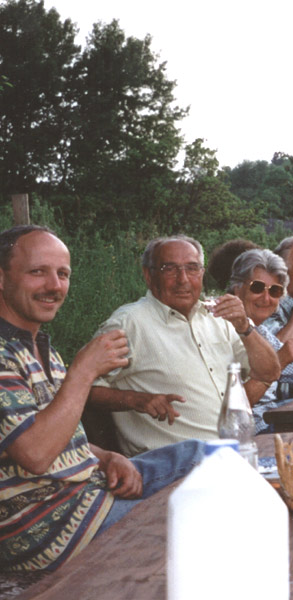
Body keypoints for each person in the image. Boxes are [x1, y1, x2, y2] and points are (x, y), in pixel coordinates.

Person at [0, 225, 204, 572]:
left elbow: (57, 435)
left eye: (62, 274)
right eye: (38, 272)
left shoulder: (40, 348)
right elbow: (34, 454)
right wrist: (83, 371)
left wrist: (107, 456)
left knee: (206, 455)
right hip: (47, 528)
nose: (54, 286)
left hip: (90, 492)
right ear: (2, 279)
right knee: (201, 526)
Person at [88, 235, 281, 456]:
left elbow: (270, 372)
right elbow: (86, 387)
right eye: (169, 269)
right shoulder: (129, 323)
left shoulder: (218, 317)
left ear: (202, 273)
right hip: (174, 465)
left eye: (192, 268)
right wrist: (135, 399)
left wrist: (245, 327)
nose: (183, 279)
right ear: (148, 275)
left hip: (230, 453)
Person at [227, 249, 293, 433]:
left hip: (273, 420)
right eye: (257, 288)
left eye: (275, 291)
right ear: (237, 288)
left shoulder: (259, 331)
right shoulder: (222, 331)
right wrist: (280, 360)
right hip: (251, 432)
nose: (266, 298)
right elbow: (229, 411)